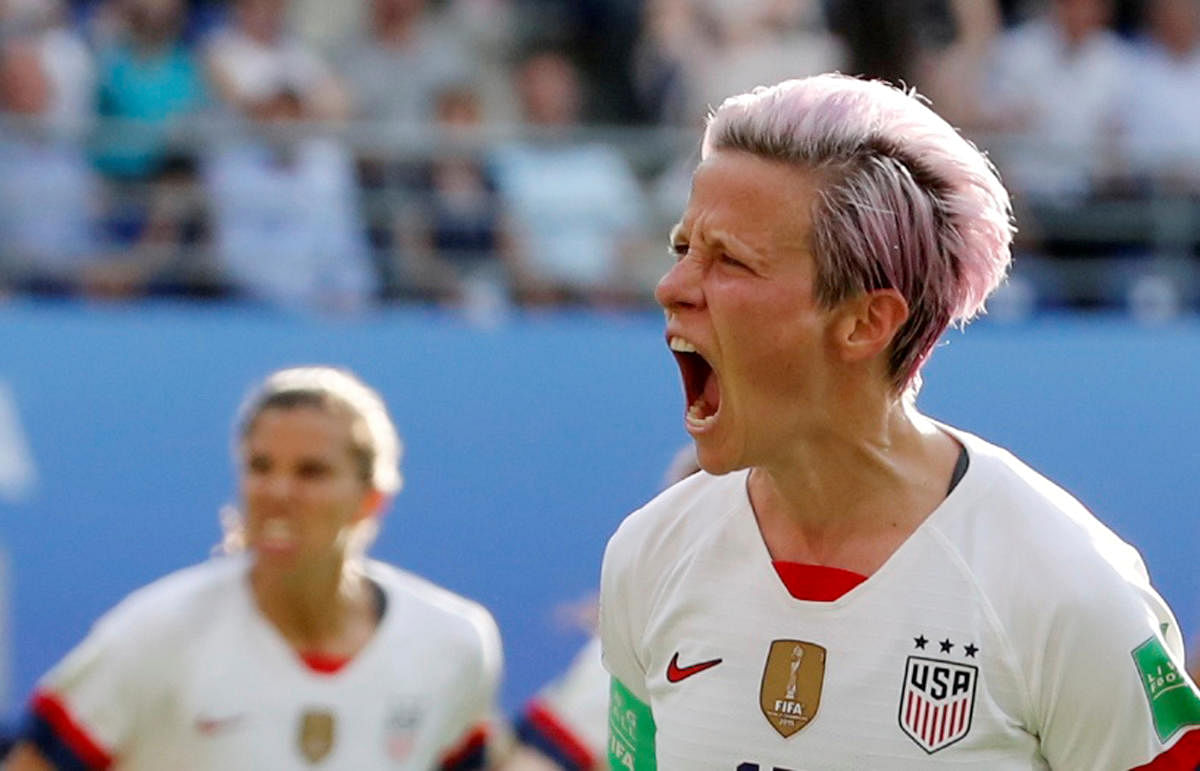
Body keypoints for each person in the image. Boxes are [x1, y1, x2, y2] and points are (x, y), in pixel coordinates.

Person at [598, 73, 1200, 768]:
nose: (670, 287)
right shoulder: (651, 552)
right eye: (682, 249)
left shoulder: (1069, 589)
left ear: (865, 321)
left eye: (730, 259)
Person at [5, 366, 503, 769]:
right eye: (260, 467)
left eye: (312, 472)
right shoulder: (154, 633)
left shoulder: (452, 642)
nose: (277, 493)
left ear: (371, 499)